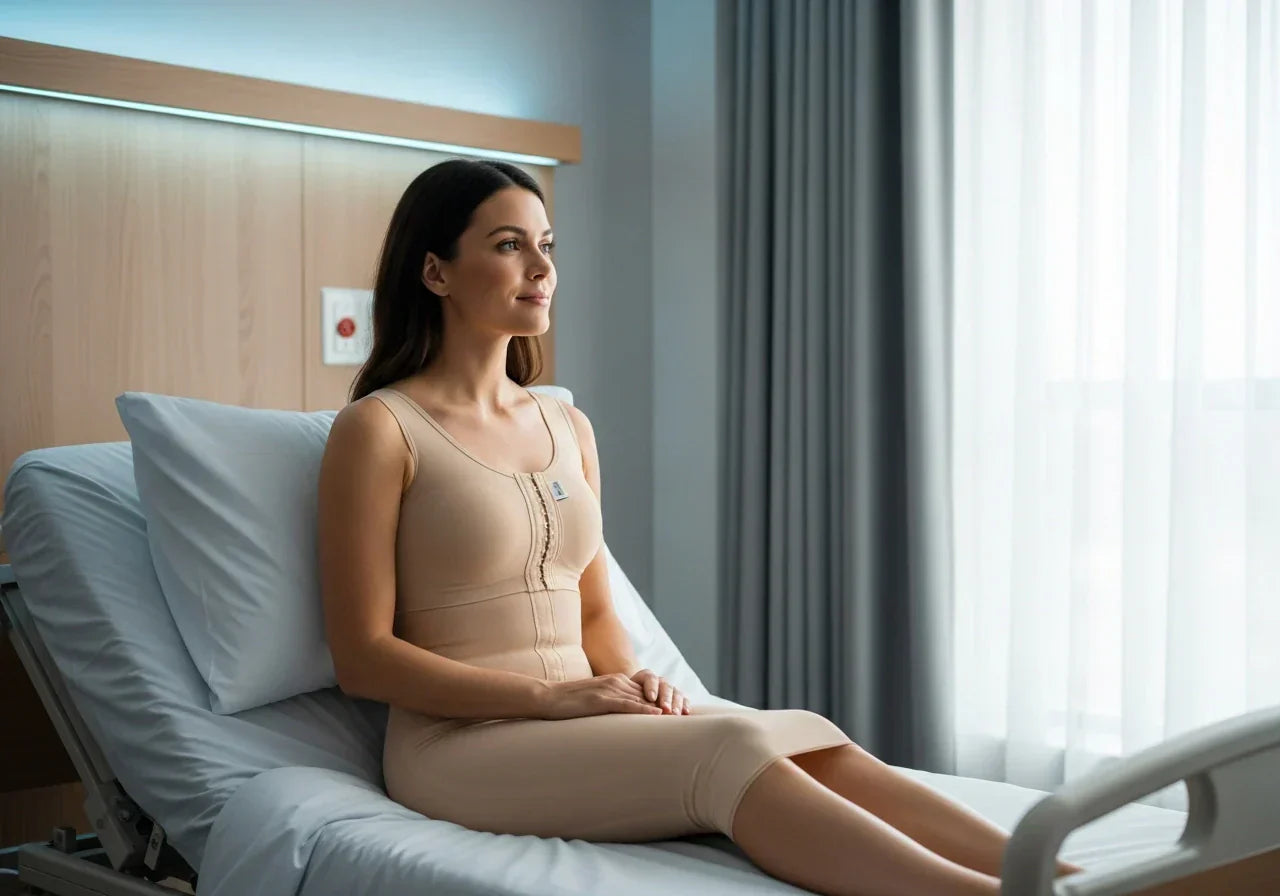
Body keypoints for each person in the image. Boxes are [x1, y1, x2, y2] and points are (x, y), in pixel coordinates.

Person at [316, 158, 1082, 896]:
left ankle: (1076, 879)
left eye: (546, 246)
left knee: (803, 731)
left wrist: (637, 680)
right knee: (729, 746)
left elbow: (592, 615)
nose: (542, 269)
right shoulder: (381, 430)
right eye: (509, 245)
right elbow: (365, 658)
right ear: (435, 271)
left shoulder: (566, 423)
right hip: (459, 747)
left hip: (582, 716)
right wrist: (554, 700)